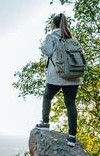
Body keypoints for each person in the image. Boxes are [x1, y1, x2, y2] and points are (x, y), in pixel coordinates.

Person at [35, 13, 83, 147]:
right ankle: (72, 136)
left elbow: (48, 52)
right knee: (70, 104)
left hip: (57, 75)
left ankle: (45, 123)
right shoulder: (72, 38)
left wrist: (42, 47)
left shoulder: (51, 36)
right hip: (73, 75)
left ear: (53, 24)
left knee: (47, 96)